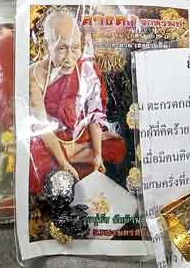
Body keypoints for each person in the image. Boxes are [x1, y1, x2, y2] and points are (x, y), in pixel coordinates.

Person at [28, 10, 126, 193]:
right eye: (62, 48)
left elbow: (94, 116)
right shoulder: (34, 76)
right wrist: (64, 163)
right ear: (47, 45)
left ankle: (77, 156)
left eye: (75, 48)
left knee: (117, 145)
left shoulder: (86, 68)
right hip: (50, 141)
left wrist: (97, 154)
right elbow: (41, 127)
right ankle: (71, 159)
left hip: (80, 137)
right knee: (33, 162)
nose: (70, 57)